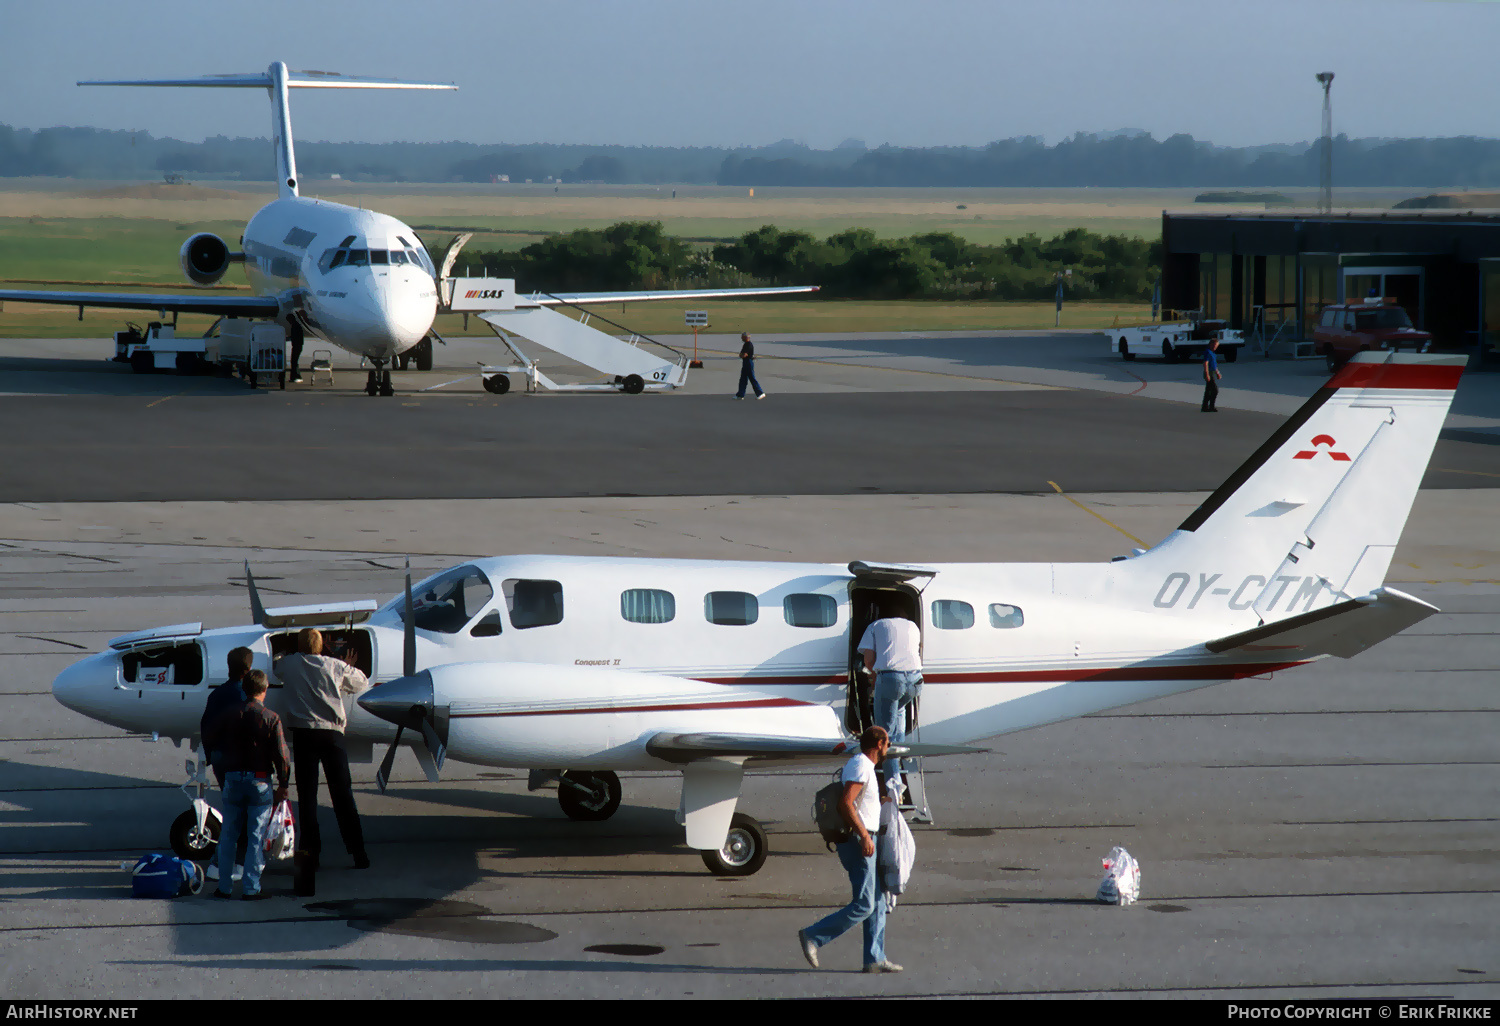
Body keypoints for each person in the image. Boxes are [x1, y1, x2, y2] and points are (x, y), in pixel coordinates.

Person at [797, 726, 902, 973]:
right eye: (887, 743)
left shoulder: (865, 766)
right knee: (865, 904)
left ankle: (874, 958)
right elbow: (846, 803)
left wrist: (883, 802)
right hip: (858, 841)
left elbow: (859, 802)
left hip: (867, 839)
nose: (888, 747)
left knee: (876, 900)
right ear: (879, 744)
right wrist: (865, 835)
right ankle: (813, 936)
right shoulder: (861, 765)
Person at [275, 627, 371, 869]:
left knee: (307, 798)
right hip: (332, 735)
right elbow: (362, 682)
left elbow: (276, 667)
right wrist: (345, 665)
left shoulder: (289, 664)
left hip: (304, 735)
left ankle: (311, 853)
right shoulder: (334, 665)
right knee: (343, 796)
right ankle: (358, 852)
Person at [202, 670, 289, 900]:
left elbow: (209, 735)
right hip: (259, 780)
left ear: (245, 689)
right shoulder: (271, 717)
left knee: (229, 834)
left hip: (232, 778)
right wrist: (283, 783)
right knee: (255, 836)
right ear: (264, 689)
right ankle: (251, 888)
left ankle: (224, 887)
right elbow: (282, 756)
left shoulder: (229, 714)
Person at [199, 647, 254, 881]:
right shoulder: (246, 698)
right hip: (240, 761)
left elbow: (206, 727)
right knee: (243, 814)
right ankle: (233, 863)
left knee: (233, 809)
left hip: (221, 759)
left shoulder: (217, 695)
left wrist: (212, 756)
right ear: (248, 670)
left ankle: (222, 862)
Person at [857, 614, 923, 792]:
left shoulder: (874, 626)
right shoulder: (912, 625)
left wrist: (873, 677)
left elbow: (869, 660)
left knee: (883, 735)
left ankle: (894, 785)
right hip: (916, 680)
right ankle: (898, 763)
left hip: (892, 679)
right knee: (898, 718)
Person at [734, 332, 766, 400]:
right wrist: (741, 355)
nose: (741, 338)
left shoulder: (748, 344)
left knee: (752, 378)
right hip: (746, 362)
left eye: (742, 337)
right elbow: (742, 354)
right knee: (743, 379)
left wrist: (742, 355)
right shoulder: (746, 344)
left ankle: (760, 393)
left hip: (748, 362)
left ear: (746, 337)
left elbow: (744, 355)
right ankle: (740, 394)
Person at [1202, 338, 1222, 413]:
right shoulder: (1208, 352)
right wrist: (1207, 374)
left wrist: (1217, 373)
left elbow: (1214, 365)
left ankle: (1205, 407)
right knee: (1215, 390)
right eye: (1214, 345)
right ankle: (1211, 406)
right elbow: (1205, 363)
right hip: (1209, 372)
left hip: (1213, 372)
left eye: (1216, 346)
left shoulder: (1213, 353)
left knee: (1208, 390)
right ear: (1210, 344)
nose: (1215, 347)